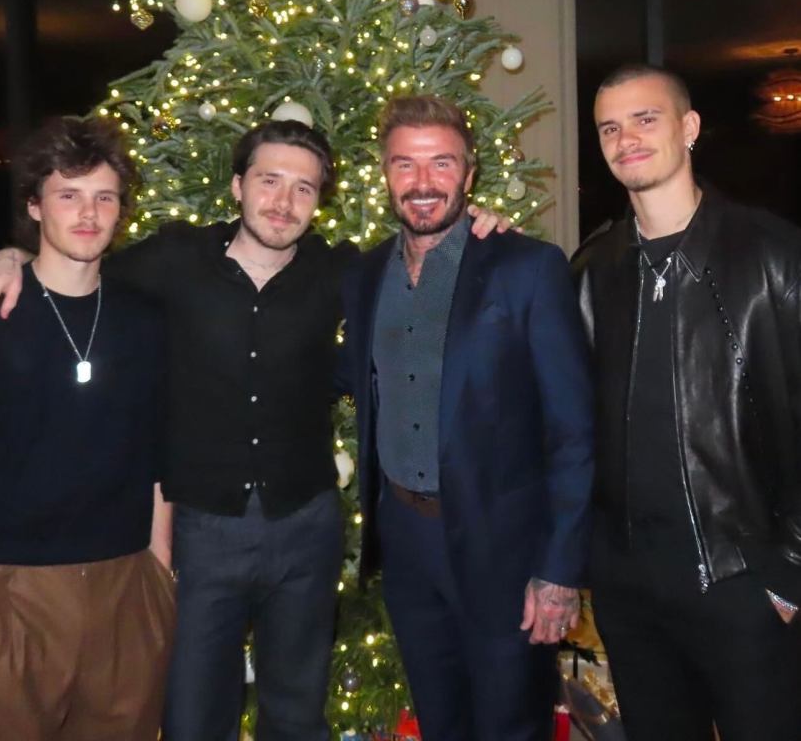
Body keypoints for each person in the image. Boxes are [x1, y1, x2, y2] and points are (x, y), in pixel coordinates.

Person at [0, 115, 508, 741]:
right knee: (194, 717)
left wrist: (487, 231)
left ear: (319, 201)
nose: (282, 202)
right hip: (201, 531)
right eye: (268, 180)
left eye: (303, 188)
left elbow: (427, 263)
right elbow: (74, 265)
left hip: (305, 526)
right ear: (237, 186)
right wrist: (6, 254)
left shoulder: (345, 273)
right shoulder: (173, 259)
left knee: (295, 710)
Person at [339, 94, 594, 741]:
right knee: (439, 718)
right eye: (405, 165)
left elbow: (573, 430)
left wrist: (559, 569)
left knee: (512, 725)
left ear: (470, 172)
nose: (423, 183)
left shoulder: (527, 269)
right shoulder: (366, 275)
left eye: (441, 163)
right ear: (385, 171)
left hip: (503, 548)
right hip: (405, 540)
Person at [575, 64, 801, 741]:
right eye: (609, 127)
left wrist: (788, 570)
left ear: (689, 127)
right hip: (628, 587)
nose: (626, 139)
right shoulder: (592, 270)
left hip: (744, 582)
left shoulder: (772, 253)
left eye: (645, 119)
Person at [0, 116, 175, 741]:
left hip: (126, 586)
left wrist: (160, 568)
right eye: (69, 194)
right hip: (6, 588)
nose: (88, 213)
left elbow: (160, 450)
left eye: (104, 197)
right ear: (36, 206)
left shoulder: (146, 320)